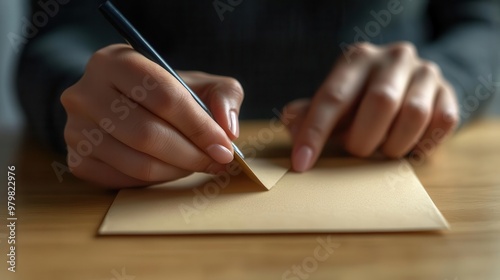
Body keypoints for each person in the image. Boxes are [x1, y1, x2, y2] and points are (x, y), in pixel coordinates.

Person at [16, 0, 499, 187]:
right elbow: (57, 32)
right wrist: (84, 96)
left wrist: (446, 76)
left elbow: (487, 27)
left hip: (397, 153)